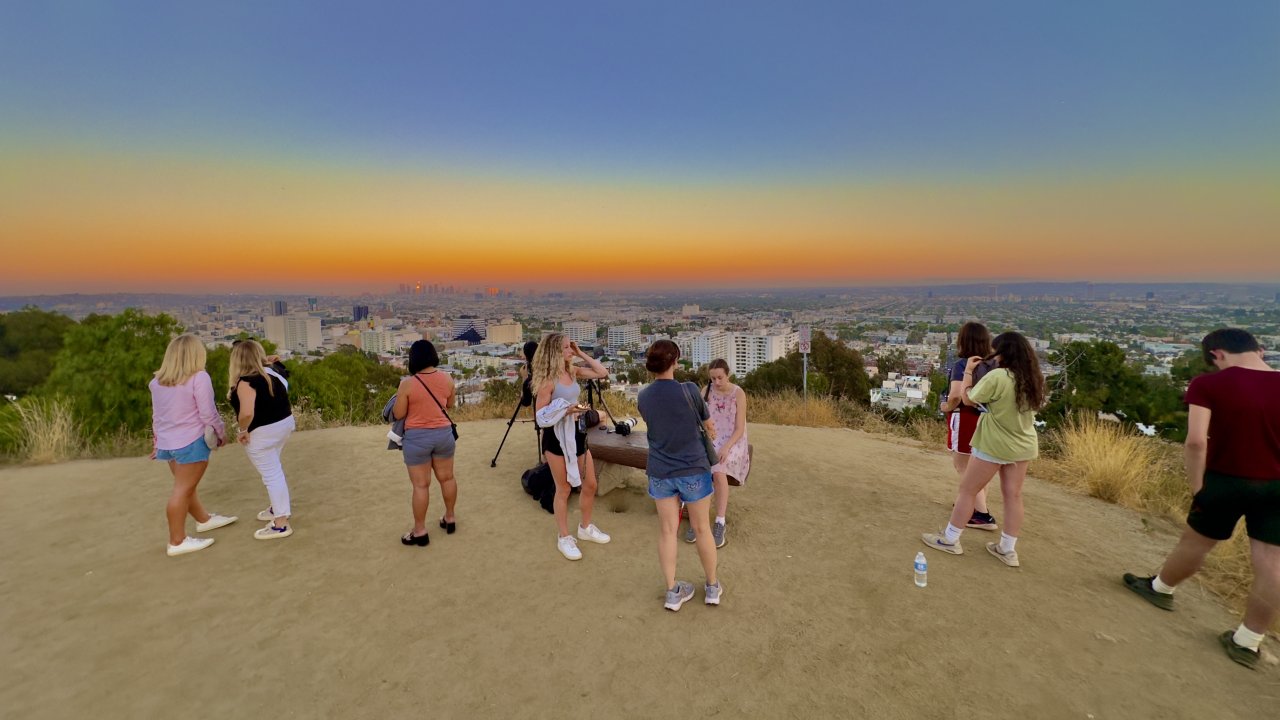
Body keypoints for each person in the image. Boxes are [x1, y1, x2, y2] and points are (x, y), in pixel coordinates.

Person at [1123, 328, 1280, 670]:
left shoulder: (1208, 385)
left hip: (1227, 478)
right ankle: (1247, 641)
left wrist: (1198, 488)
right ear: (1261, 351)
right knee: (1270, 562)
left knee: (1196, 543)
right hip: (1277, 485)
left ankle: (1161, 589)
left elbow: (1195, 441)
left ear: (1216, 354)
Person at [922, 331, 1045, 567]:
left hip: (994, 442)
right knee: (1013, 495)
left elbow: (969, 399)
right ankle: (1007, 549)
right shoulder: (1033, 379)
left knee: (968, 490)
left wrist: (968, 372)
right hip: (1024, 444)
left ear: (1003, 353)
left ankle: (950, 539)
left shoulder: (999, 376)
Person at [638, 339, 722, 611]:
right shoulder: (689, 391)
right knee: (701, 528)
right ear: (675, 361)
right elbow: (708, 426)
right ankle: (711, 587)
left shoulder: (644, 396)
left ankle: (673, 592)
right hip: (693, 468)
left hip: (661, 471)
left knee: (667, 531)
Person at [149, 334, 235, 556]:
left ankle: (203, 520)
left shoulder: (157, 382)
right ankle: (177, 541)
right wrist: (220, 433)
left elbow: (156, 416)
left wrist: (157, 443)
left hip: (168, 444)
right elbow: (208, 413)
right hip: (191, 442)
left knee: (186, 486)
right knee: (182, 489)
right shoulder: (199, 378)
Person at [530, 333, 611, 560]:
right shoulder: (547, 380)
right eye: (566, 347)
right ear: (554, 351)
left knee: (591, 483)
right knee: (563, 488)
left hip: (576, 433)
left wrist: (580, 353)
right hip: (556, 438)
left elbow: (602, 373)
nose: (569, 350)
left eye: (569, 346)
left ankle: (585, 528)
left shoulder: (572, 370)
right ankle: (564, 537)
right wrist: (566, 410)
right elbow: (540, 416)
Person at [391, 340, 458, 547]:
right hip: (444, 435)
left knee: (421, 485)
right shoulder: (447, 378)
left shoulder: (407, 384)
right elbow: (450, 404)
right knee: (447, 478)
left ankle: (420, 531)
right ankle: (450, 518)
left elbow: (399, 413)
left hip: (417, 439)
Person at [229, 339, 296, 540]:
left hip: (262, 432)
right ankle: (277, 509)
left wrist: (242, 430)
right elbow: (279, 366)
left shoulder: (246, 382)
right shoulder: (273, 373)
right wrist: (269, 360)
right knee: (274, 470)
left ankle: (281, 522)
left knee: (272, 475)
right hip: (284, 425)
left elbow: (247, 413)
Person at [939, 322, 998, 531]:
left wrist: (947, 406)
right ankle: (972, 506)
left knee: (963, 467)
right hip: (988, 420)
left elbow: (956, 394)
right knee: (981, 466)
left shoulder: (963, 365)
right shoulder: (994, 365)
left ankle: (981, 514)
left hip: (965, 417)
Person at [684, 358, 749, 548]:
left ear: (727, 375)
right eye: (713, 378)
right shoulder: (706, 391)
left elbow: (739, 427)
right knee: (699, 468)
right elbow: (698, 419)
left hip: (732, 440)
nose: (717, 382)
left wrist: (726, 447)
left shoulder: (738, 393)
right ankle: (700, 520)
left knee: (718, 469)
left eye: (720, 378)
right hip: (711, 437)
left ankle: (720, 520)